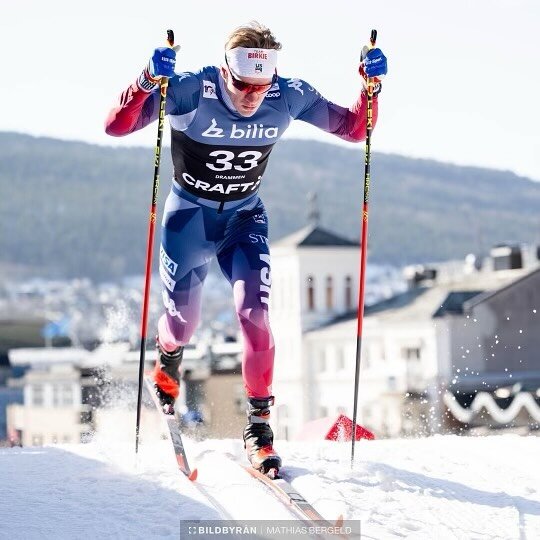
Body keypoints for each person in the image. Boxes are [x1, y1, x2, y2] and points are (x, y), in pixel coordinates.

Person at [105, 21, 387, 474]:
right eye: (242, 85)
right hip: (189, 219)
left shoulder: (289, 94)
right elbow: (116, 126)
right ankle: (168, 357)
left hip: (243, 218)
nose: (253, 96)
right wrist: (144, 82)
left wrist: (369, 87)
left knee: (255, 316)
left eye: (262, 86)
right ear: (224, 71)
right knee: (183, 321)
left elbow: (356, 130)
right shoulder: (191, 89)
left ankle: (259, 429)